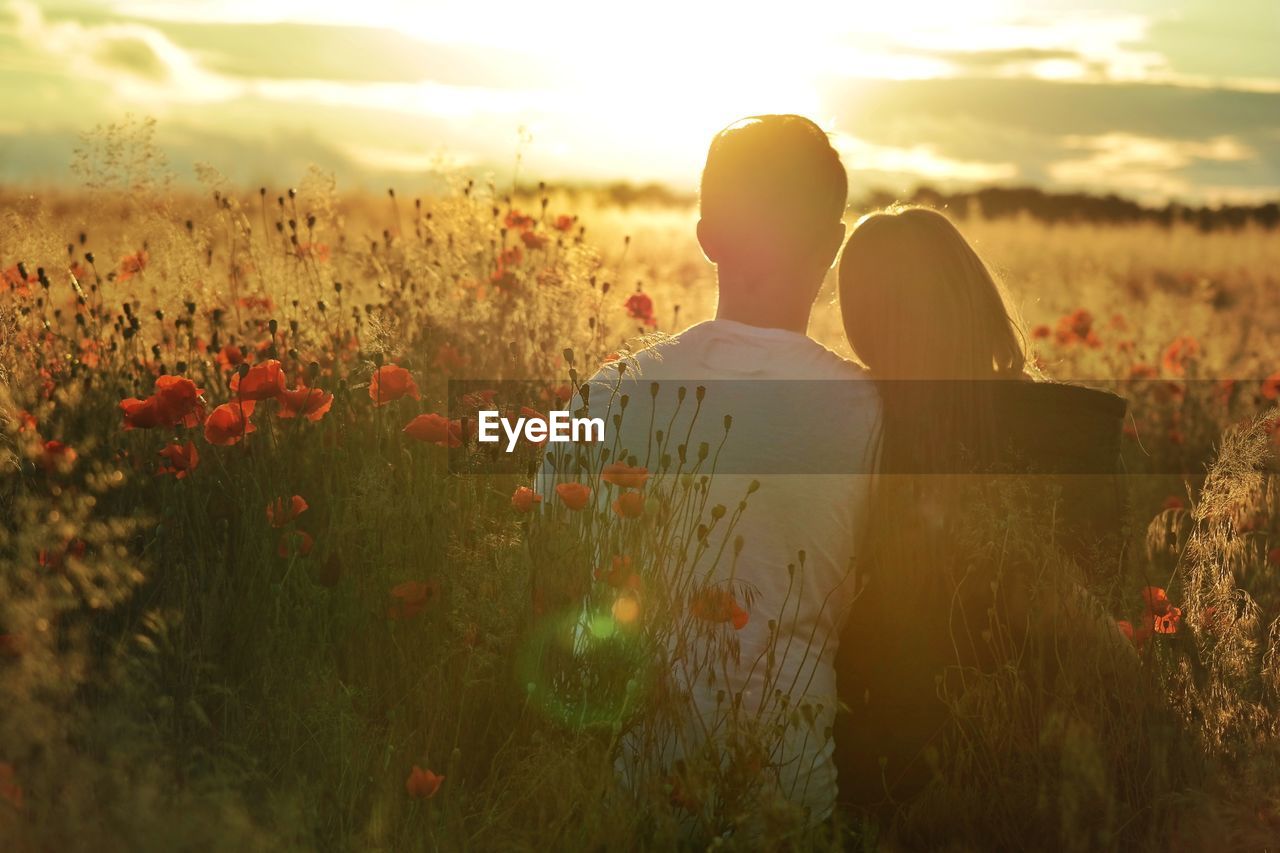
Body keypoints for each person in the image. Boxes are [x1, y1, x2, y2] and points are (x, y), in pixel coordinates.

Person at [540, 115, 880, 827]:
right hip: (789, 803)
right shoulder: (870, 414)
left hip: (634, 800)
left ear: (707, 237)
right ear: (833, 245)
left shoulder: (605, 395)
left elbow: (549, 577)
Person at [831, 206, 1129, 817]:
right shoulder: (1072, 431)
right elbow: (1103, 608)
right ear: (970, 296)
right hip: (1050, 769)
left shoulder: (852, 418)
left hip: (877, 767)